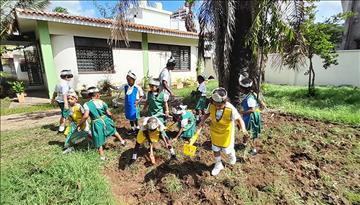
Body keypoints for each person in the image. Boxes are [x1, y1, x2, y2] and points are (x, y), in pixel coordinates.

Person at [198, 87, 248, 176]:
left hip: (226, 132)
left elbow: (239, 119)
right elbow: (207, 113)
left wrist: (243, 129)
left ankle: (232, 156)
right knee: (215, 148)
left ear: (225, 102)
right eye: (215, 104)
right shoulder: (211, 105)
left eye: (219, 105)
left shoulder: (230, 109)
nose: (217, 107)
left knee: (226, 150)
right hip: (215, 131)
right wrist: (202, 122)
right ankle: (218, 164)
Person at [78, 87, 126, 160]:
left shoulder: (87, 104)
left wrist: (80, 124)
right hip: (105, 119)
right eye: (99, 94)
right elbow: (108, 113)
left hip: (96, 122)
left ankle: (102, 156)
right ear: (97, 95)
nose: (100, 95)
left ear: (89, 96)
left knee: (98, 138)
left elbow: (86, 116)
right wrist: (111, 119)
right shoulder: (102, 102)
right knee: (113, 130)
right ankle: (122, 141)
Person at [108, 70, 144, 135]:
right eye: (127, 80)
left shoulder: (137, 88)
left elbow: (141, 96)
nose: (128, 81)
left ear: (133, 80)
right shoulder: (125, 86)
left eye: (129, 80)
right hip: (128, 106)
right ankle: (133, 129)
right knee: (130, 117)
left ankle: (137, 129)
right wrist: (111, 86)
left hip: (134, 105)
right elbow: (118, 88)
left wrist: (138, 102)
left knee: (135, 117)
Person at [238, 74, 262, 155]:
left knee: (251, 132)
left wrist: (241, 112)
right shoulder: (248, 95)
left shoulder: (250, 98)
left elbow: (252, 110)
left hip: (251, 117)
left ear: (244, 89)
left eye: (240, 87)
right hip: (248, 115)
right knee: (245, 130)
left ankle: (253, 149)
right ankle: (244, 144)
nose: (239, 88)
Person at [62, 90, 92, 154]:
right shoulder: (69, 107)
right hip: (73, 123)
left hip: (81, 123)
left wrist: (81, 123)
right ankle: (70, 146)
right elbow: (68, 116)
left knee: (85, 133)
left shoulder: (79, 106)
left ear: (76, 99)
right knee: (66, 133)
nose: (69, 100)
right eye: (68, 99)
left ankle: (93, 140)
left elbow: (84, 115)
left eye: (71, 99)